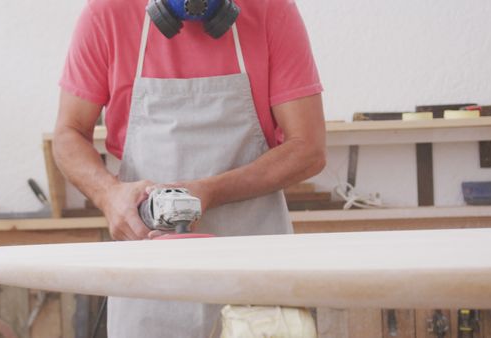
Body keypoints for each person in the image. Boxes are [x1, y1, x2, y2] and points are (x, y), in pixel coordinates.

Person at [53, 0, 326, 336]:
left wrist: (208, 192)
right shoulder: (108, 12)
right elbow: (67, 134)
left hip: (254, 262)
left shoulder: (271, 10)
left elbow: (308, 149)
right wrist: (109, 196)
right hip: (150, 273)